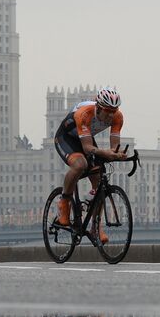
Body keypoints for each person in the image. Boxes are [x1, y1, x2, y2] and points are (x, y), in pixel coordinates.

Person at [53, 87, 127, 236]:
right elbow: (87, 148)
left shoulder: (117, 117)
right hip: (66, 138)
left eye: (113, 111)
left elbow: (114, 147)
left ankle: (95, 227)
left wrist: (118, 154)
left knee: (99, 179)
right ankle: (64, 202)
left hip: (85, 137)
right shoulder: (84, 113)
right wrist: (106, 153)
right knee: (80, 165)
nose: (110, 116)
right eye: (107, 111)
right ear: (98, 108)